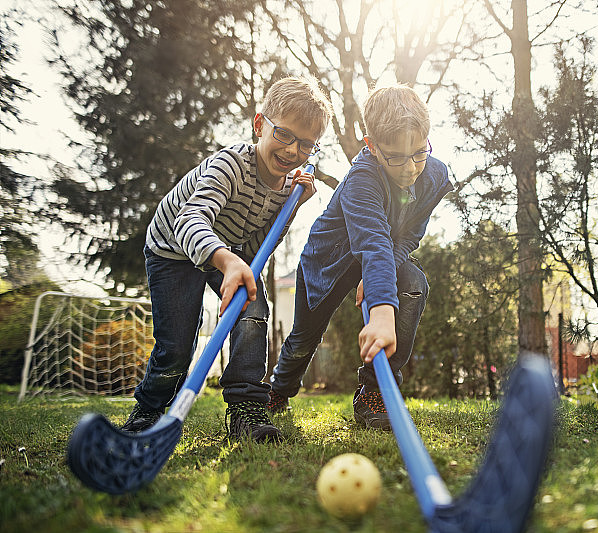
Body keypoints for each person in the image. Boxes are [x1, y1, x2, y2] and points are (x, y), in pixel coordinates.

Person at [120, 76, 332, 442]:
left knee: (252, 312)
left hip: (228, 252)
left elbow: (258, 246)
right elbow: (191, 218)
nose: (293, 150)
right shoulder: (231, 164)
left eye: (306, 144)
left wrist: (292, 208)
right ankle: (149, 411)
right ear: (259, 124)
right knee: (177, 344)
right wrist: (228, 261)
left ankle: (246, 409)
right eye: (284, 135)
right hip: (174, 248)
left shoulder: (287, 189)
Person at [267, 84, 454, 430]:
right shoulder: (361, 181)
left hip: (384, 255)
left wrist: (381, 276)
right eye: (395, 157)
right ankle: (279, 390)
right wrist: (382, 310)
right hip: (329, 261)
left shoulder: (435, 175)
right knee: (304, 338)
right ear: (371, 146)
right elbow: (372, 242)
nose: (410, 168)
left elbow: (409, 234)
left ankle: (374, 390)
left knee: (414, 284)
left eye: (418, 153)